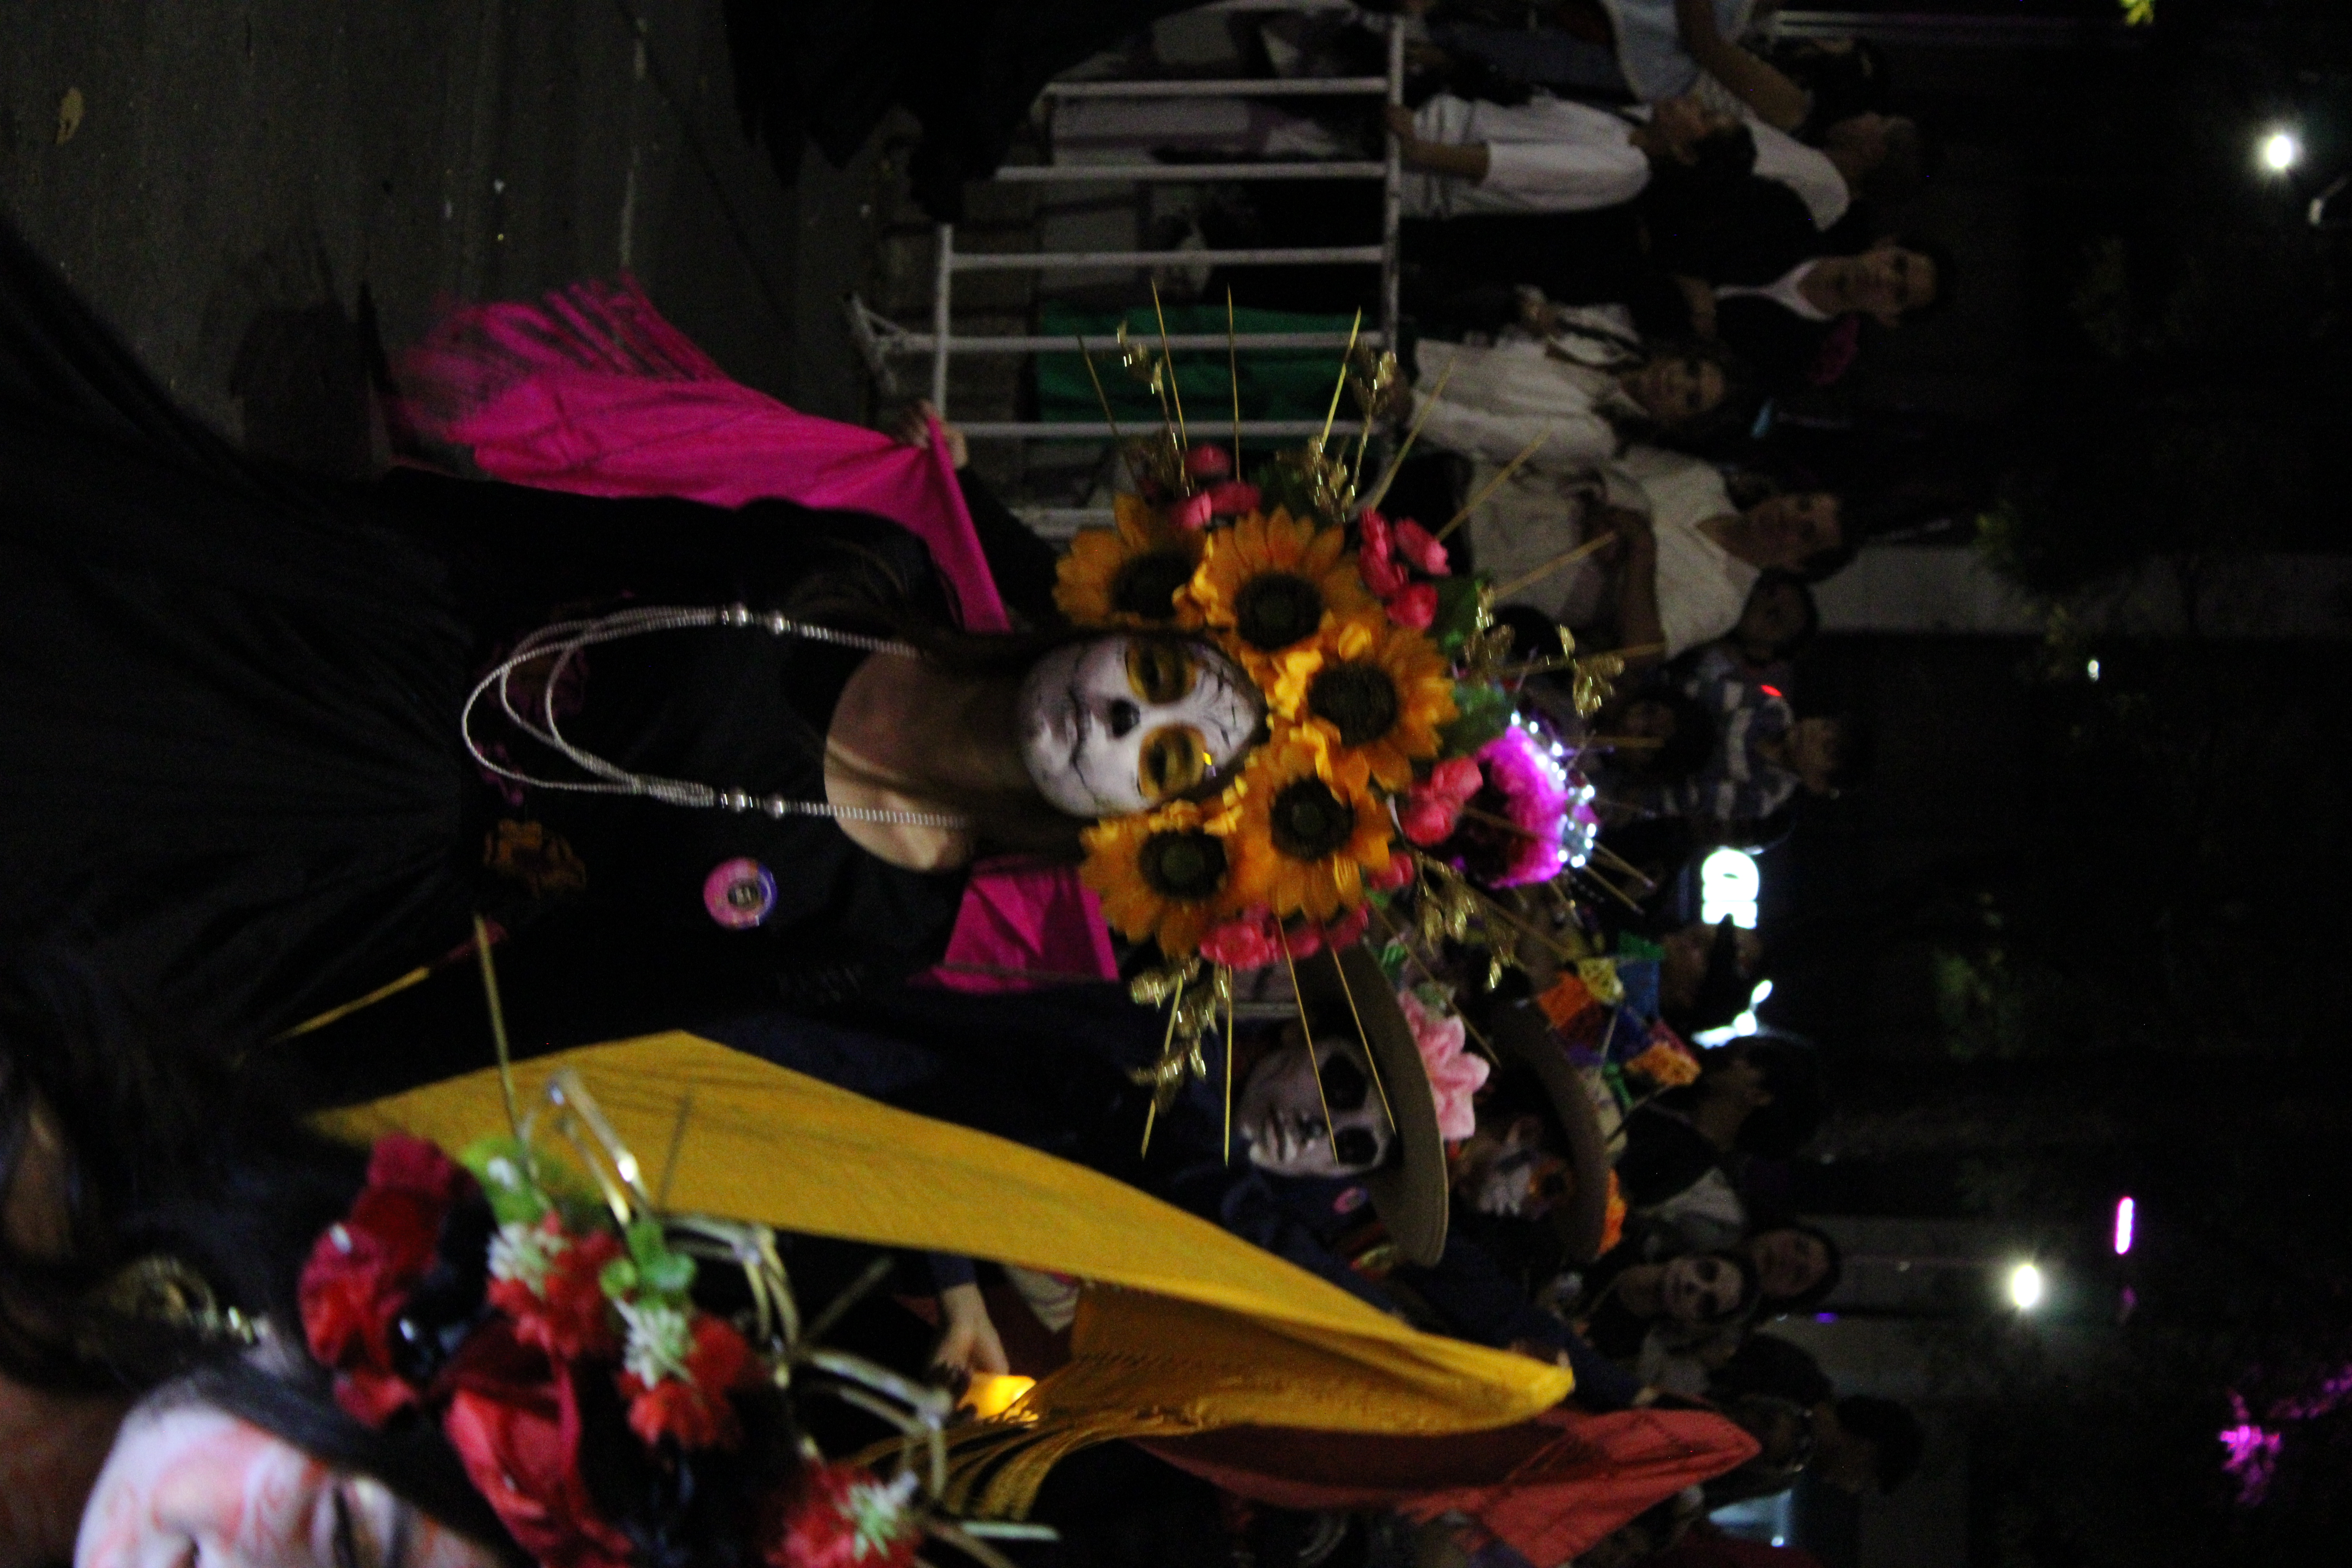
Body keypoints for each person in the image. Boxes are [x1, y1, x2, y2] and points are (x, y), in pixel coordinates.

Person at [0, 211, 1270, 1071]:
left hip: (363, 848)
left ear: (1125, 827)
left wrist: (291, 1082)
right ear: (1128, 629)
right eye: (1154, 683)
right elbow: (597, 541)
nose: (1116, 721)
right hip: (378, 624)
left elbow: (565, 1002)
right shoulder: (879, 574)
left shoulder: (884, 927)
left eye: (1155, 760)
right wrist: (355, 524)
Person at [1409, 300, 1751, 475]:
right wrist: (1528, 307)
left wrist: (1408, 407)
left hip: (1420, 386)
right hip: (1433, 324)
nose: (1677, 381)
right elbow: (1542, 306)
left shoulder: (1599, 437)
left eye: (1690, 399)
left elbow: (1486, 434)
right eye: (1690, 369)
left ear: (1679, 424)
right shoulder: (1617, 341)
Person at [1386, 93, 1754, 221]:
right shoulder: (1627, 130)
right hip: (1428, 133)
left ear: (1687, 154)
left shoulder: (1622, 170)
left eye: (1703, 117)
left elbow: (1507, 167)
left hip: (1415, 165)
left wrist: (1421, 149)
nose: (1696, 104)